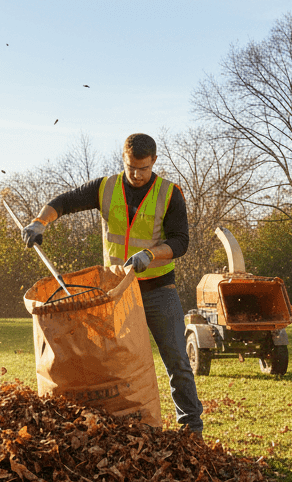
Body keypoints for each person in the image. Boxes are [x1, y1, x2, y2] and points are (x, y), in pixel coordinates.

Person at [20, 133, 203, 437]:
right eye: (131, 166)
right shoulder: (105, 188)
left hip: (158, 289)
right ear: (123, 159)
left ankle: (191, 430)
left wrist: (150, 254)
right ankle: (118, 427)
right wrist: (40, 222)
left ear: (154, 161)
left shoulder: (170, 194)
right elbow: (64, 202)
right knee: (112, 366)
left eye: (143, 168)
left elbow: (181, 242)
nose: (136, 174)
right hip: (116, 294)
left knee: (177, 361)